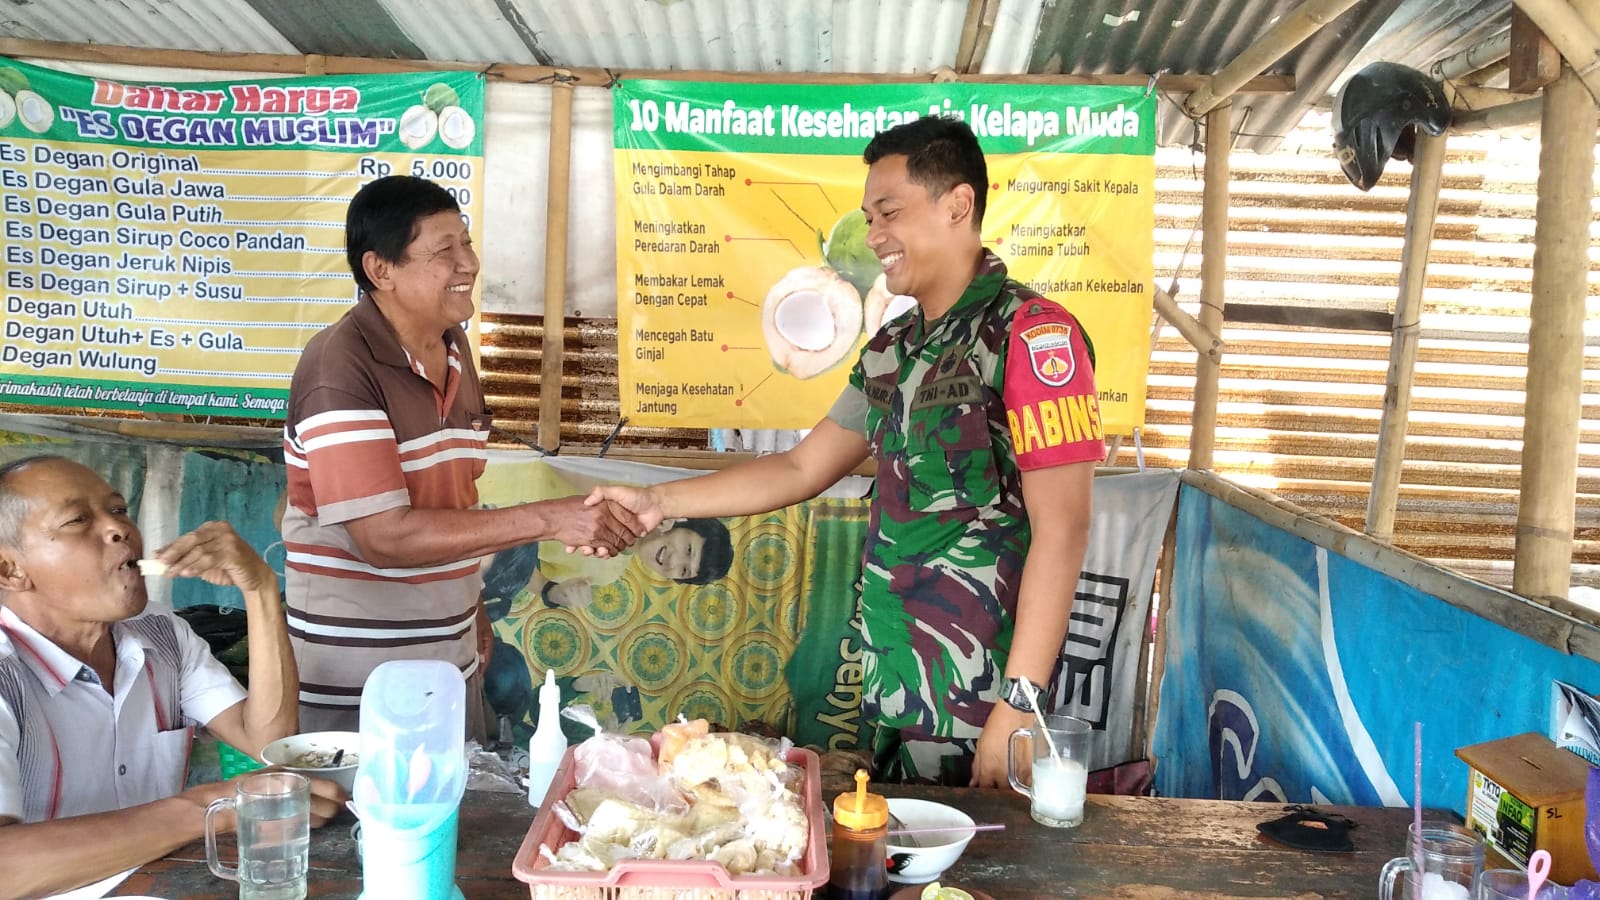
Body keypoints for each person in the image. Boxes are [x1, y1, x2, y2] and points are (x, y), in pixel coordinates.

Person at [589, 117, 1104, 787]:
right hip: (893, 692)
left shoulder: (1033, 337)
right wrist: (658, 500)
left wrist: (1021, 704)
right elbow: (801, 467)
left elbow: (1064, 527)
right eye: (867, 217)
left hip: (982, 703)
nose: (874, 235)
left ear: (958, 205)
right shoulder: (892, 349)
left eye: (889, 211)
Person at [281, 175, 639, 739]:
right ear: (381, 271)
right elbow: (385, 537)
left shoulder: (453, 346)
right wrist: (550, 517)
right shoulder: (339, 367)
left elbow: (457, 500)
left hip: (451, 655)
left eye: (466, 244)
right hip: (361, 681)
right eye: (444, 251)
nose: (468, 263)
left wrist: (471, 606)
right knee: (367, 824)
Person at [0, 455, 344, 899]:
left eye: (119, 510)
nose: (118, 529)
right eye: (78, 519)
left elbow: (268, 738)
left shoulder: (161, 634)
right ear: (10, 569)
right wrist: (211, 807)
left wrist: (258, 587)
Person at [480, 517, 735, 614]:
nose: (674, 562)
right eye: (688, 549)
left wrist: (550, 591)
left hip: (484, 554)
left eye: (683, 572)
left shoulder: (608, 572)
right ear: (679, 523)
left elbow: (519, 571)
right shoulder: (622, 497)